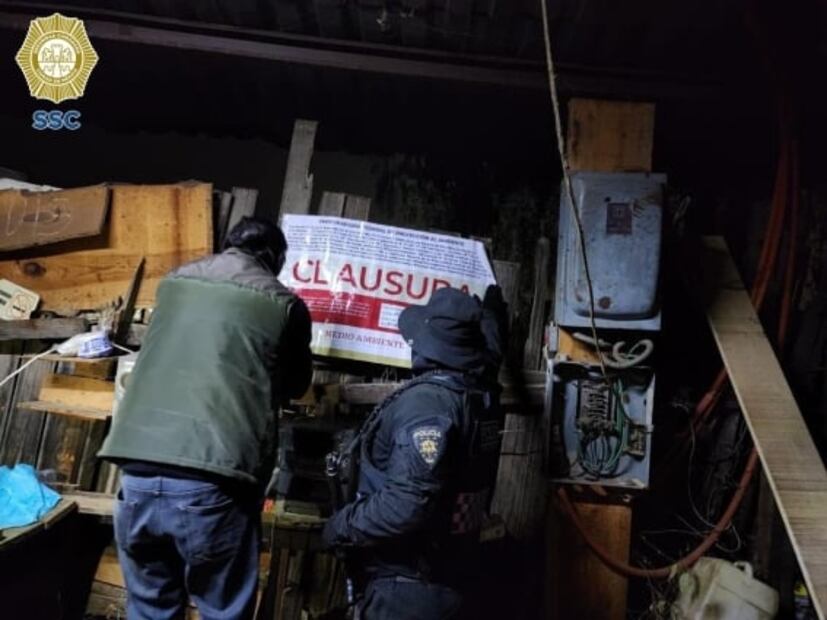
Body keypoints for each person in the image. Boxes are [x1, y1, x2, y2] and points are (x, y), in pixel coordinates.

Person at [99, 217, 313, 620]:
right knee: (222, 609)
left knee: (149, 608)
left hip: (137, 473)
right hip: (212, 480)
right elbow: (296, 384)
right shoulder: (284, 305)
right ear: (275, 258)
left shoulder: (174, 284)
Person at [323, 285, 507, 620]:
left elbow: (407, 504)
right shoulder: (479, 394)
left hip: (406, 589)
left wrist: (341, 527)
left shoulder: (428, 404)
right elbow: (491, 353)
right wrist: (493, 314)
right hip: (447, 580)